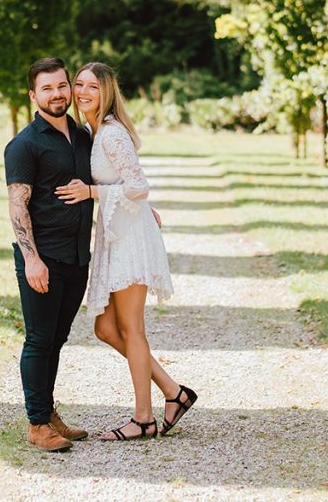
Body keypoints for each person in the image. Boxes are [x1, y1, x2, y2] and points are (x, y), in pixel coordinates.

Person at [55, 62, 198, 441]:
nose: (83, 92)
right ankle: (173, 392)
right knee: (105, 327)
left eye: (92, 87)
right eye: (79, 85)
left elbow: (138, 185)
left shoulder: (112, 134)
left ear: (106, 93)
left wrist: (93, 192)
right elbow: (126, 184)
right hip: (118, 228)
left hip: (129, 237)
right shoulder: (92, 131)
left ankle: (143, 417)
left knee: (131, 329)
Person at [4, 57, 94, 452]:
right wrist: (32, 260)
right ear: (33, 95)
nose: (57, 94)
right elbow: (17, 205)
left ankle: (49, 412)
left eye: (62, 86)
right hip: (43, 258)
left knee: (57, 339)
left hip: (77, 256)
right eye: (47, 88)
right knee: (39, 340)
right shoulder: (24, 145)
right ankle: (37, 424)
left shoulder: (84, 136)